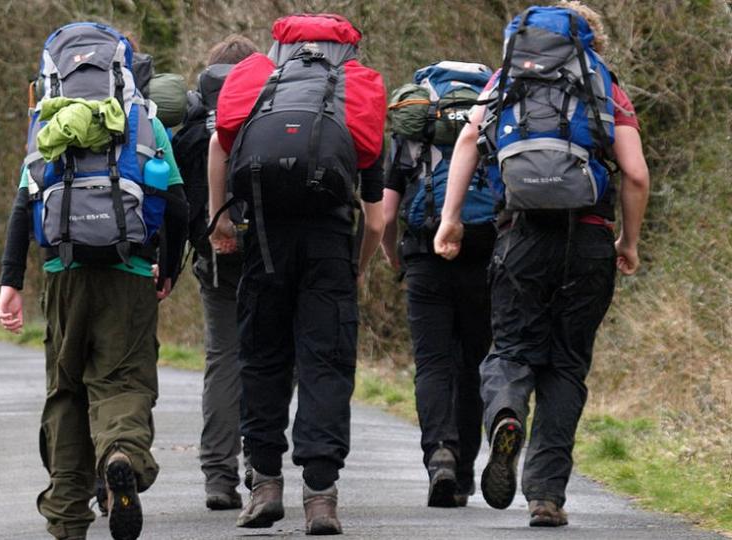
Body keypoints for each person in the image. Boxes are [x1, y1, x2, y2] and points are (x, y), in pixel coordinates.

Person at [433, 0, 650, 527]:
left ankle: (506, 412)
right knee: (567, 364)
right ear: (589, 40)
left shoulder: (507, 80)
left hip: (520, 236)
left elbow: (467, 139)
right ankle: (546, 496)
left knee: (510, 350)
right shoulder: (602, 82)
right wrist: (629, 241)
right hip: (590, 239)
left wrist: (451, 219)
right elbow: (637, 174)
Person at [0, 22, 188, 540]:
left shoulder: (47, 123)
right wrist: (165, 269)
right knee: (122, 380)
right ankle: (120, 453)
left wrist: (10, 281)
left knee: (66, 389)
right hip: (129, 272)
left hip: (63, 272)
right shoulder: (145, 120)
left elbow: (22, 207)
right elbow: (176, 206)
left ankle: (66, 513)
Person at [209, 13, 386, 535]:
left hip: (263, 235)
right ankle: (321, 497)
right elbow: (376, 218)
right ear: (346, 50)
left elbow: (221, 143)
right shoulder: (359, 89)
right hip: (329, 242)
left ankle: (263, 484)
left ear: (281, 43)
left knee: (262, 360)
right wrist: (355, 266)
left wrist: (219, 217)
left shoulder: (254, 74)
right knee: (325, 364)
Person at [381, 61, 497, 508]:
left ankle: (440, 456)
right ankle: (464, 471)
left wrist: (392, 253)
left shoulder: (416, 115)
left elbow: (387, 211)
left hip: (425, 248)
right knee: (472, 363)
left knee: (431, 362)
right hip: (484, 248)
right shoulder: (490, 105)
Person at [171, 33, 258, 511]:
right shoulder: (271, 109)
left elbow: (178, 197)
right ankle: (259, 465)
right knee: (267, 357)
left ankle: (218, 478)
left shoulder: (190, 125)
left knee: (222, 358)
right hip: (267, 252)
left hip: (215, 258)